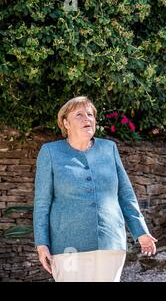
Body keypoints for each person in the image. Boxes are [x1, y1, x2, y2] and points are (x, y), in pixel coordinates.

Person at [33, 96, 157, 282]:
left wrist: (141, 232)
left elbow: (125, 194)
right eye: (79, 115)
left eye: (90, 114)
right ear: (66, 123)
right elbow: (42, 203)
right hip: (68, 246)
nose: (87, 119)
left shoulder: (109, 148)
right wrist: (42, 244)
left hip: (110, 243)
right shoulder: (50, 152)